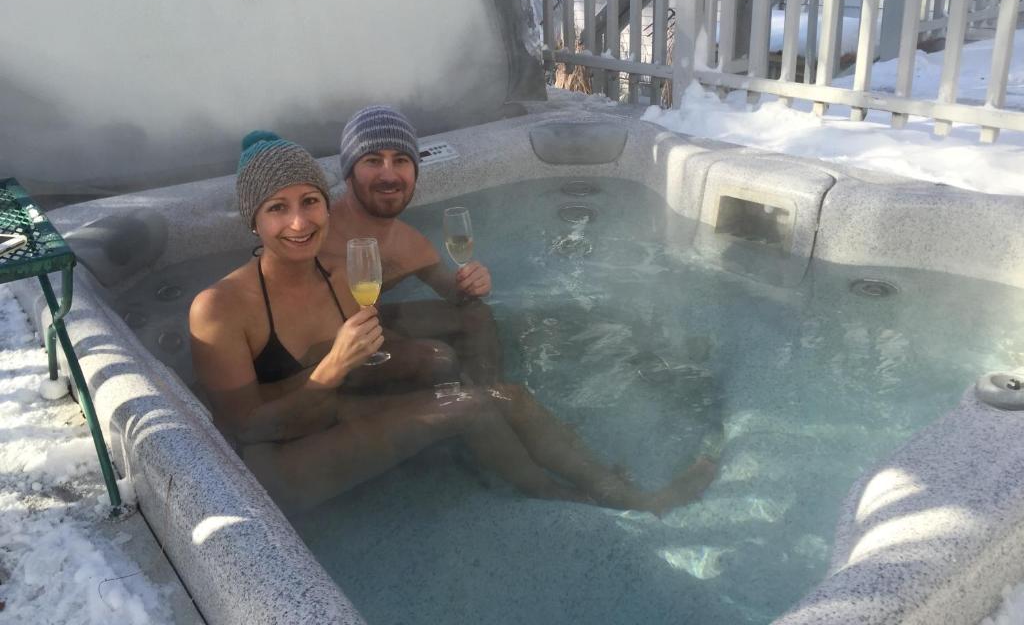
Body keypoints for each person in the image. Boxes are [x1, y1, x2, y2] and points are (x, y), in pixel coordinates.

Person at [189, 131, 715, 514]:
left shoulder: (338, 273)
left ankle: (612, 488)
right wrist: (332, 370)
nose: (299, 221)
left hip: (333, 410)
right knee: (466, 405)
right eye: (278, 209)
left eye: (309, 202)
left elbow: (370, 357)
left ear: (327, 207)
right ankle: (562, 494)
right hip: (280, 464)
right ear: (253, 220)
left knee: (503, 395)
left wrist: (438, 359)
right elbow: (243, 430)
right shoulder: (220, 308)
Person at [320, 105, 502, 385]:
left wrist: (475, 283)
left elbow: (461, 296)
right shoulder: (317, 238)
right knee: (435, 358)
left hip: (370, 329)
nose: (389, 175)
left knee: (477, 315)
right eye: (372, 160)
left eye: (401, 160)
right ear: (348, 172)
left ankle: (491, 394)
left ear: (415, 172)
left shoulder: (411, 245)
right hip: (323, 358)